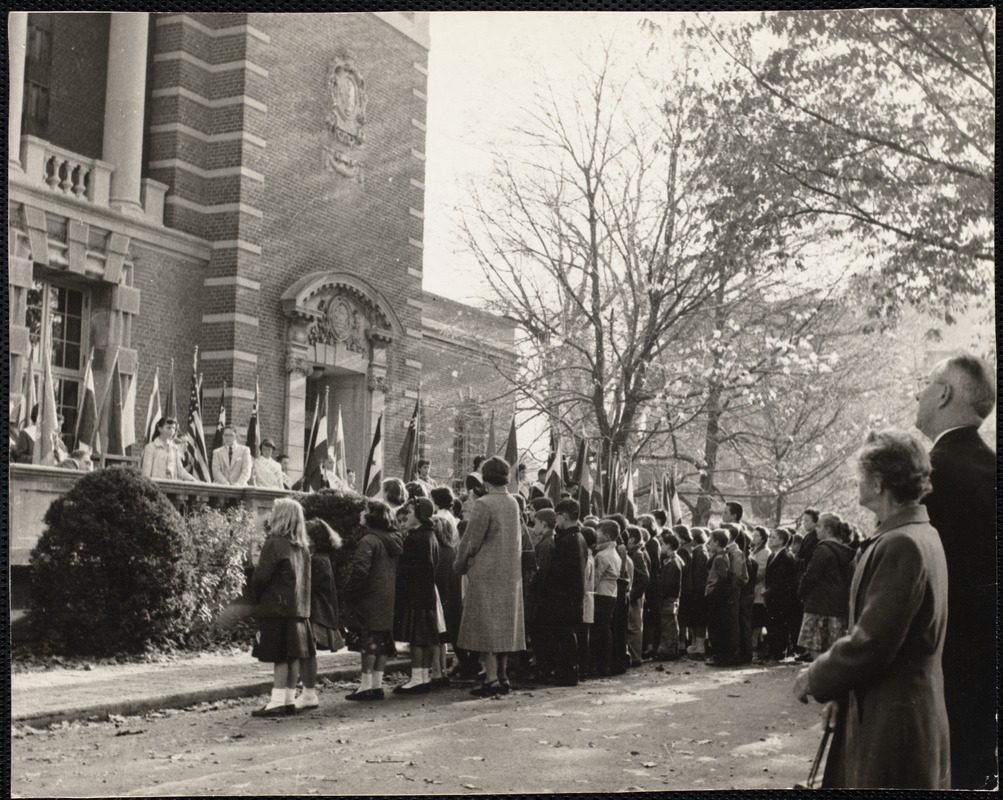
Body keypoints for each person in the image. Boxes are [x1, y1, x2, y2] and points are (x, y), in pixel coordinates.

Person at [793, 429, 949, 789]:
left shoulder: (901, 544)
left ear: (878, 483)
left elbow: (872, 642)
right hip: (894, 715)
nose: (856, 484)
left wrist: (815, 677)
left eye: (860, 476)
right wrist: (840, 696)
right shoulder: (914, 534)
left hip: (894, 725)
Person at [914, 353, 996, 789]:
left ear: (944, 393)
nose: (918, 393)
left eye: (925, 385)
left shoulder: (927, 473)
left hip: (937, 671)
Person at [455, 456, 526, 696]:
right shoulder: (514, 502)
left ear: (486, 478)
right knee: (504, 627)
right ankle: (503, 676)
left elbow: (471, 540)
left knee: (484, 627)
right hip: (510, 575)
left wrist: (460, 563)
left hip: (486, 573)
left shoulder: (484, 504)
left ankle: (491, 679)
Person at [249, 498, 315, 717]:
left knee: (279, 656)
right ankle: (288, 698)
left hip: (276, 608)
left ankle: (277, 700)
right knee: (293, 655)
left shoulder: (275, 543)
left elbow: (261, 577)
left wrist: (255, 597)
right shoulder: (303, 547)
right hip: (298, 609)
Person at [344, 500, 404, 701]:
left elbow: (360, 570)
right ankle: (377, 684)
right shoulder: (392, 540)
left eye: (365, 510)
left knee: (368, 641)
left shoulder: (368, 540)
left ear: (372, 516)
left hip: (369, 596)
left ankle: (365, 685)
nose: (362, 512)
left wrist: (349, 591)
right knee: (382, 640)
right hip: (387, 595)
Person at [392, 497, 441, 695]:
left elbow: (409, 569)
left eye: (410, 512)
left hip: (415, 593)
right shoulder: (430, 535)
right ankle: (422, 676)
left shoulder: (415, 538)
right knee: (423, 637)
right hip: (426, 593)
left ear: (419, 515)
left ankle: (417, 678)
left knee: (417, 638)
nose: (407, 516)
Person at [297, 518, 344, 711]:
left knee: (307, 653)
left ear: (314, 538)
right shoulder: (321, 557)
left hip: (316, 611)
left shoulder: (316, 559)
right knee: (307, 652)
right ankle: (307, 692)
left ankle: (309, 693)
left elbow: (306, 586)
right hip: (318, 610)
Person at [796, 512, 855, 660]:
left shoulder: (822, 549)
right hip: (838, 606)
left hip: (818, 604)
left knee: (815, 648)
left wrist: (801, 592)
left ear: (828, 529)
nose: (816, 529)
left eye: (819, 526)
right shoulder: (847, 552)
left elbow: (810, 576)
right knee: (832, 648)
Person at [542, 498, 588, 686]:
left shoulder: (567, 540)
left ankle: (569, 673)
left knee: (565, 635)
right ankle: (569, 671)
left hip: (564, 596)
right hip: (573, 596)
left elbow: (560, 571)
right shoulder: (579, 538)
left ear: (564, 516)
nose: (556, 520)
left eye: (558, 516)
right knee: (567, 634)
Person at [430, 510, 461, 686]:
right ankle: (442, 671)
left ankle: (436, 671)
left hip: (440, 599)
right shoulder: (451, 551)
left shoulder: (438, 552)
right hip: (451, 599)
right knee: (442, 640)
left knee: (435, 638)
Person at [527, 507, 557, 679]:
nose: (534, 526)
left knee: (542, 634)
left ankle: (544, 668)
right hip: (545, 596)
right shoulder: (548, 541)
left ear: (544, 524)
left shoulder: (546, 544)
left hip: (542, 598)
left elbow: (542, 571)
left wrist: (533, 585)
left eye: (536, 523)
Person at [590, 519, 622, 677]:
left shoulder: (602, 556)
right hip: (611, 594)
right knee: (605, 630)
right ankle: (605, 664)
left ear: (607, 536)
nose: (596, 536)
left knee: (600, 631)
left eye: (599, 533)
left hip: (602, 595)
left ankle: (601, 665)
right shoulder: (614, 553)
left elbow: (594, 578)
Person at [703, 530, 732, 665]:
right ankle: (719, 656)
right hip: (716, 595)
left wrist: (713, 593)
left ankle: (720, 657)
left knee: (717, 628)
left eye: (711, 541)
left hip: (716, 596)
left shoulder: (720, 558)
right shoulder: (720, 556)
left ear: (717, 542)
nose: (709, 543)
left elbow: (723, 579)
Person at [656, 532, 684, 660]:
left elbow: (668, 583)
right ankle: (671, 650)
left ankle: (668, 651)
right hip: (670, 598)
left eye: (662, 544)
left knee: (668, 624)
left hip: (669, 598)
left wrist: (662, 595)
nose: (661, 546)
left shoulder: (673, 562)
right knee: (669, 623)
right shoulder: (672, 560)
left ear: (668, 546)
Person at [625, 526, 649, 667]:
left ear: (632, 539)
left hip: (635, 596)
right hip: (636, 594)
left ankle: (635, 657)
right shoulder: (637, 553)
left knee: (634, 627)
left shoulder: (636, 555)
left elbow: (644, 578)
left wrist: (632, 595)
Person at [142, 417, 196, 481]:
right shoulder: (151, 447)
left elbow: (180, 470)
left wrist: (193, 479)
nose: (172, 431)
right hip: (156, 487)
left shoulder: (174, 448)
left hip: (172, 487)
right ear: (160, 429)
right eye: (168, 428)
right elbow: (146, 474)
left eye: (173, 428)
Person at [685, 528, 710, 657]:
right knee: (696, 619)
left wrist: (694, 590)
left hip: (698, 592)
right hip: (697, 591)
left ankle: (700, 645)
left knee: (699, 620)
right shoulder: (700, 551)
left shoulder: (699, 552)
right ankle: (696, 644)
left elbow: (698, 574)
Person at [578, 525, 596, 681]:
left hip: (584, 600)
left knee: (583, 638)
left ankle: (583, 669)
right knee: (584, 637)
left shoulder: (587, 559)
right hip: (587, 600)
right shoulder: (590, 557)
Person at [750, 526, 771, 653]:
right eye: (753, 535)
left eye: (757, 535)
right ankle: (755, 640)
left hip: (758, 587)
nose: (753, 537)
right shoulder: (754, 550)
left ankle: (755, 640)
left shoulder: (765, 552)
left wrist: (750, 580)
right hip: (753, 587)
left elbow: (761, 572)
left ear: (763, 538)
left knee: (758, 615)